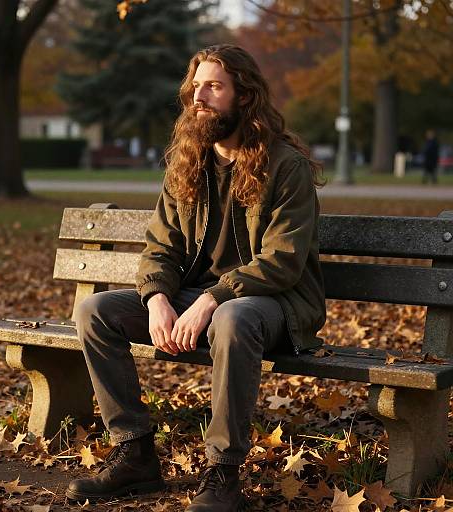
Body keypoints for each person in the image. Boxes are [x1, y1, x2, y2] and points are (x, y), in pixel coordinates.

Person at [66, 44, 326, 511]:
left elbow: (282, 261)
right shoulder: (188, 161)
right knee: (94, 311)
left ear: (244, 97)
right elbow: (161, 247)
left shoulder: (284, 166)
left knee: (232, 317)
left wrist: (212, 299)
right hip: (199, 299)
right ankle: (136, 453)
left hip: (274, 306)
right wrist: (156, 298)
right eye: (195, 86)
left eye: (213, 86)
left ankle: (223, 471)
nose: (198, 96)